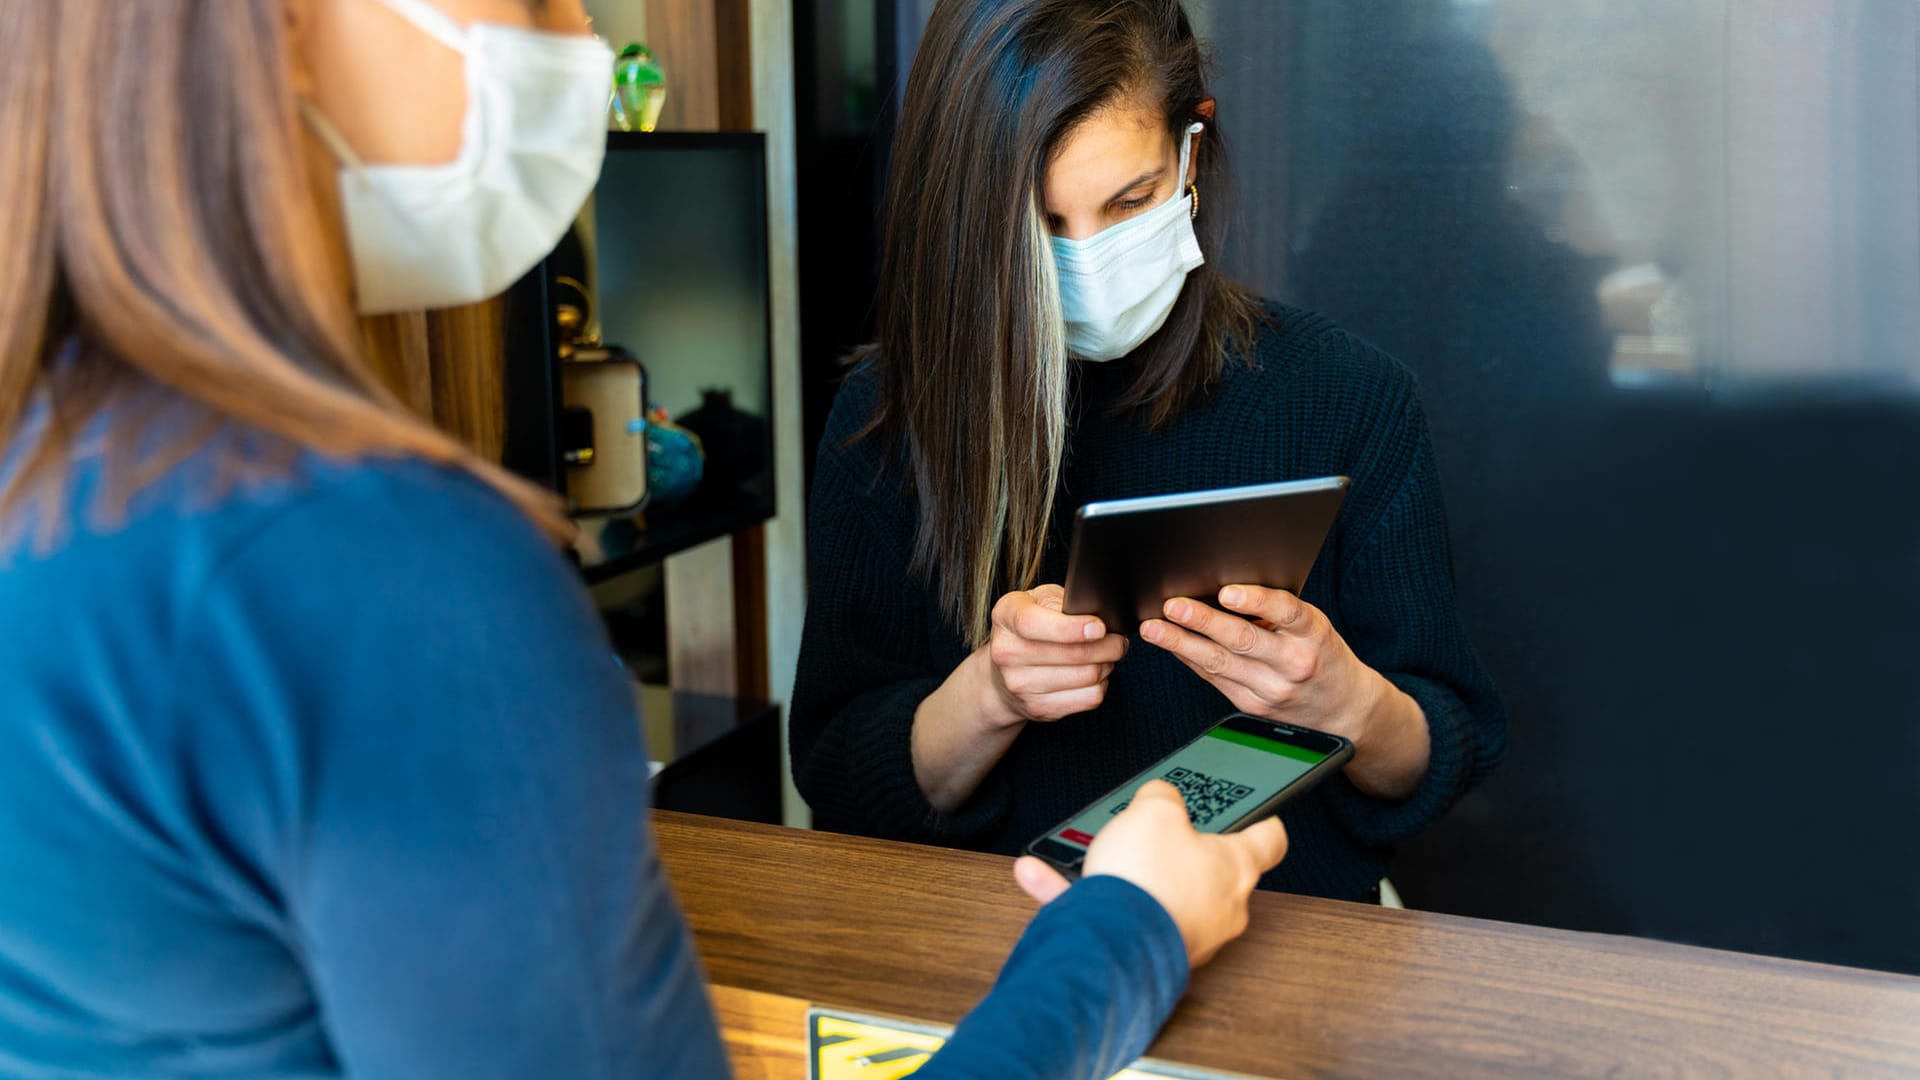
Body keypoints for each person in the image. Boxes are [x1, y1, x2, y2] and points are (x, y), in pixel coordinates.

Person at [0, 1, 1287, 1077]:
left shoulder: (57, 465)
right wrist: (1129, 932)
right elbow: (842, 756)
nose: (573, 34)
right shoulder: (394, 575)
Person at [791, 0, 1507, 904]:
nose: (1087, 258)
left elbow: (1437, 756)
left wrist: (1345, 704)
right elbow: (840, 775)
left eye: (1129, 201)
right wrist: (992, 696)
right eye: (1041, 224)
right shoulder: (889, 417)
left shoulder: (1351, 398)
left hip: (1292, 948)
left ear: (1191, 151)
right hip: (999, 951)